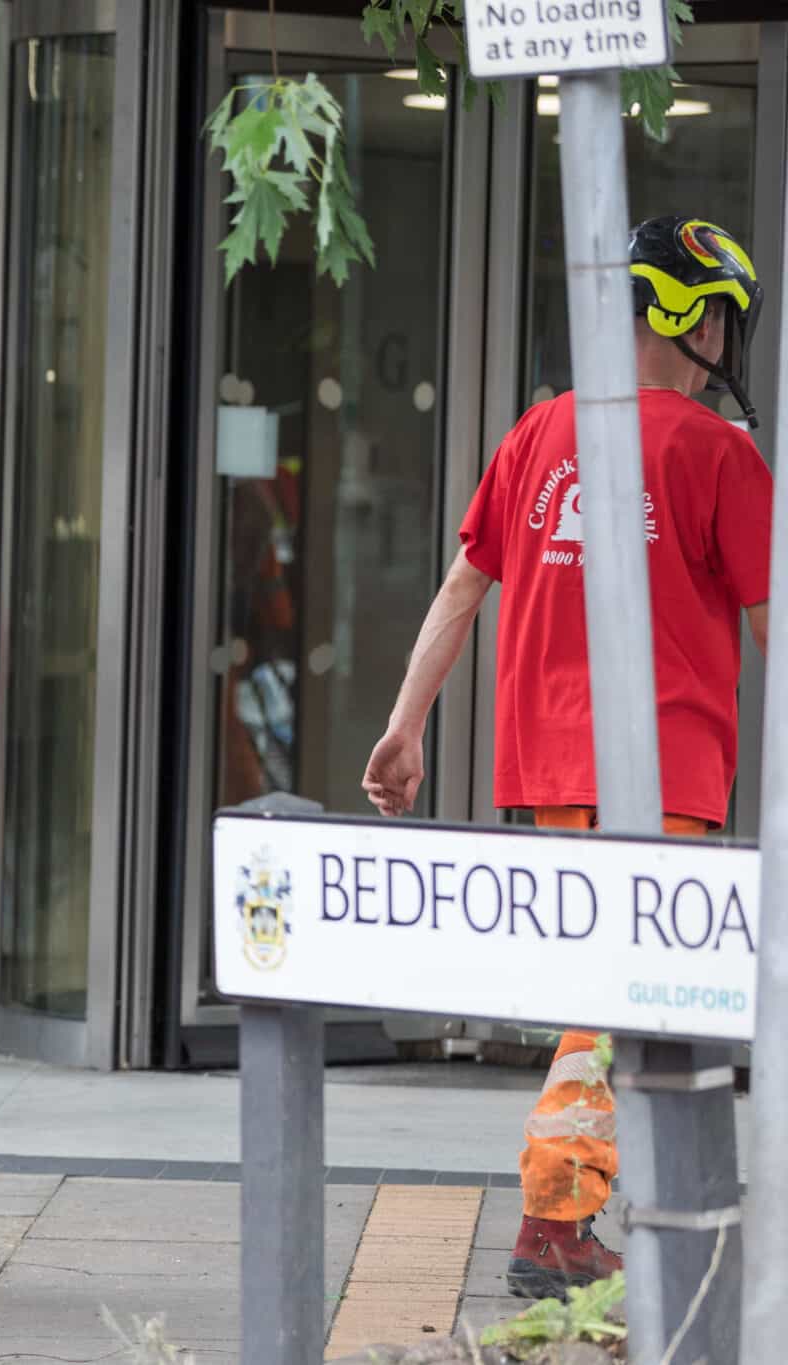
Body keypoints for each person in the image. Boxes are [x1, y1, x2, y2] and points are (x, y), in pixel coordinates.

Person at [360, 216, 771, 1301]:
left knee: (617, 993)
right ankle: (552, 1218)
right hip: (661, 771)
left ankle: (596, 1203)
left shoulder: (538, 432)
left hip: (550, 769)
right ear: (690, 317)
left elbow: (461, 588)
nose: (728, 341)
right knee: (616, 997)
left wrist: (403, 726)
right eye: (722, 316)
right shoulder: (717, 453)